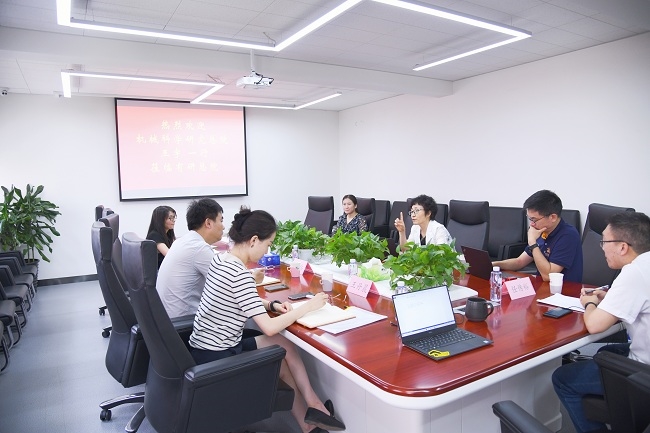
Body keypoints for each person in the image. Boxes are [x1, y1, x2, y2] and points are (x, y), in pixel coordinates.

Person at [189, 207, 346, 433]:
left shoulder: (221, 259)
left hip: (204, 350)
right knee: (279, 357)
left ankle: (313, 407)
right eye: (268, 243)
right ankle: (311, 416)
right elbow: (269, 327)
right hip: (219, 358)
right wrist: (308, 306)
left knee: (283, 345)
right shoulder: (239, 273)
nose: (267, 250)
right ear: (254, 240)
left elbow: (238, 297)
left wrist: (272, 305)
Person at [552, 211, 650, 433]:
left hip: (645, 372)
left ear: (622, 247)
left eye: (604, 242)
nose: (602, 248)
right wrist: (610, 299)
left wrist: (589, 303)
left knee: (562, 379)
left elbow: (595, 325)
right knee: (605, 352)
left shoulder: (634, 272)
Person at [492, 190, 583, 282]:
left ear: (553, 217)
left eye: (534, 220)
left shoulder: (568, 235)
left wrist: (533, 243)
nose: (531, 224)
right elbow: (519, 262)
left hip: (564, 289)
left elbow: (548, 276)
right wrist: (493, 264)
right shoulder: (542, 231)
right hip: (542, 286)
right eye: (530, 219)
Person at [156, 198, 224, 318]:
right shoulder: (199, 248)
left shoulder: (182, 241)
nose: (223, 227)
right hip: (184, 322)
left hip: (165, 319)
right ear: (208, 223)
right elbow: (227, 286)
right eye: (221, 220)